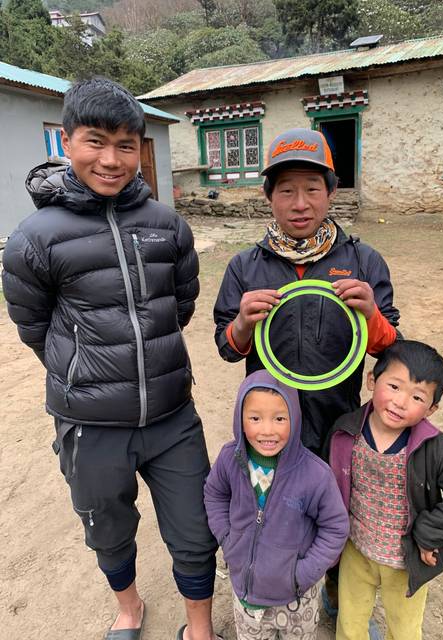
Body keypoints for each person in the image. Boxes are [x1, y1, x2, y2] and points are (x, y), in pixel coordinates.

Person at [2, 78, 220, 640]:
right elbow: (33, 325)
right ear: (67, 141)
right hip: (90, 423)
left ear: (139, 149)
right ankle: (129, 609)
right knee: (107, 526)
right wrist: (87, 371)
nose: (110, 158)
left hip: (172, 416)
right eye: (95, 141)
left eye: (126, 145)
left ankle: (200, 624)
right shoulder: (33, 238)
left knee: (196, 528)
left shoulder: (168, 226)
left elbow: (183, 304)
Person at [213, 126, 400, 614]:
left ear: (331, 192)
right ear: (268, 196)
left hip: (339, 417)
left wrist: (371, 316)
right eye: (287, 190)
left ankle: (334, 591)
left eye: (312, 189)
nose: (300, 203)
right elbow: (227, 349)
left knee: (337, 505)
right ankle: (278, 585)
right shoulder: (244, 268)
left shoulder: (362, 260)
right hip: (271, 422)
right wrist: (241, 325)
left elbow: (391, 347)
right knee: (273, 505)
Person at [326, 340, 443, 640]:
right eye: (394, 386)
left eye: (417, 396)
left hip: (405, 561)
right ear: (372, 380)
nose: (400, 402)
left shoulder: (436, 448)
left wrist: (428, 534)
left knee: (405, 630)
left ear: (431, 409)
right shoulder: (344, 431)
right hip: (356, 550)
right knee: (350, 624)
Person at [204, 368, 349, 639]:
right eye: (255, 418)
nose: (267, 430)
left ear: (295, 419)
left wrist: (304, 573)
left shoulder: (315, 474)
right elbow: (215, 494)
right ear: (240, 418)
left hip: (297, 599)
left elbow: (336, 527)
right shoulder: (229, 460)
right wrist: (227, 536)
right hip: (247, 598)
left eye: (280, 418)